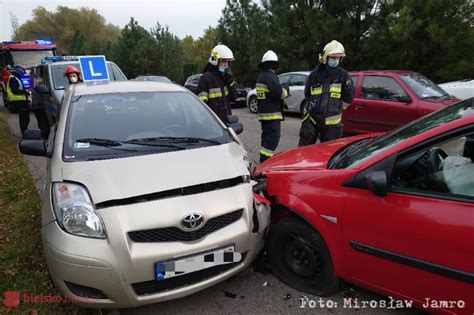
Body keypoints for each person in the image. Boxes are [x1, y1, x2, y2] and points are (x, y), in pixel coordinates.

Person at [298, 40, 354, 147]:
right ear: (325, 57)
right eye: (333, 57)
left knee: (329, 155)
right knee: (303, 152)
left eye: (338, 58)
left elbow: (348, 99)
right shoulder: (314, 75)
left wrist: (334, 109)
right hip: (312, 121)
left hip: (332, 127)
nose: (336, 60)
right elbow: (308, 95)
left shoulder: (344, 76)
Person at [255, 50, 289, 162]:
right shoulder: (271, 77)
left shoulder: (261, 76)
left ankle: (264, 159)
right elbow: (278, 94)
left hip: (264, 115)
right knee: (273, 138)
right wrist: (286, 90)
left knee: (266, 138)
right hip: (272, 115)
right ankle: (265, 161)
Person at [197, 44, 236, 124]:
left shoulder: (225, 78)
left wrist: (231, 82)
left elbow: (234, 97)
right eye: (224, 61)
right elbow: (202, 107)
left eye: (228, 62)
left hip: (227, 121)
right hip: (214, 124)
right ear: (215, 60)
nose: (226, 65)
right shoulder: (206, 79)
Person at [6, 65, 30, 135]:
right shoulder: (13, 79)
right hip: (18, 102)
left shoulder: (16, 78)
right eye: (23, 71)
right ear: (19, 71)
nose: (24, 73)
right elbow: (15, 90)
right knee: (24, 119)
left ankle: (25, 132)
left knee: (25, 118)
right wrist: (25, 92)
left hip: (21, 101)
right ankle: (24, 133)